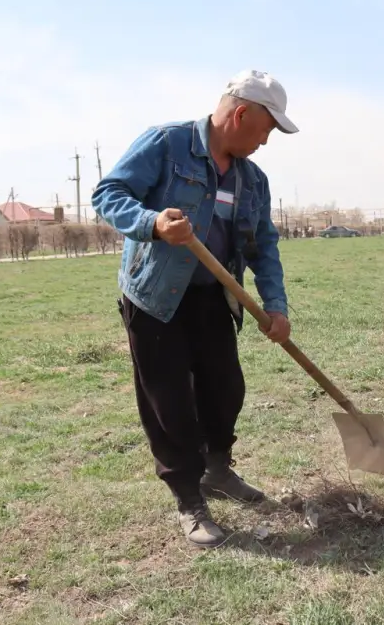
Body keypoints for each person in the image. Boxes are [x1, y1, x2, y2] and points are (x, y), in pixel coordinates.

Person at [91, 70, 297, 548]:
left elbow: (263, 245)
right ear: (241, 113)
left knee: (225, 389)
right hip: (156, 297)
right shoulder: (167, 144)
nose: (266, 142)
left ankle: (217, 470)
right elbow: (108, 194)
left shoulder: (252, 180)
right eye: (266, 130)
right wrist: (153, 222)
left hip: (213, 296)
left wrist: (276, 305)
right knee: (169, 402)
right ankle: (189, 498)